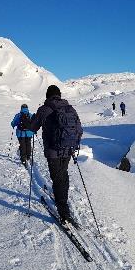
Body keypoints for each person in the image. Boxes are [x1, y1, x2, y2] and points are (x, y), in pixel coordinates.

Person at [30, 85, 83, 225]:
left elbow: (32, 128)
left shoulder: (44, 109)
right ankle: (62, 199)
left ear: (48, 96)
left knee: (57, 178)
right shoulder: (70, 108)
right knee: (63, 175)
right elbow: (79, 129)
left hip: (53, 151)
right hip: (68, 150)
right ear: (59, 95)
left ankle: (64, 212)